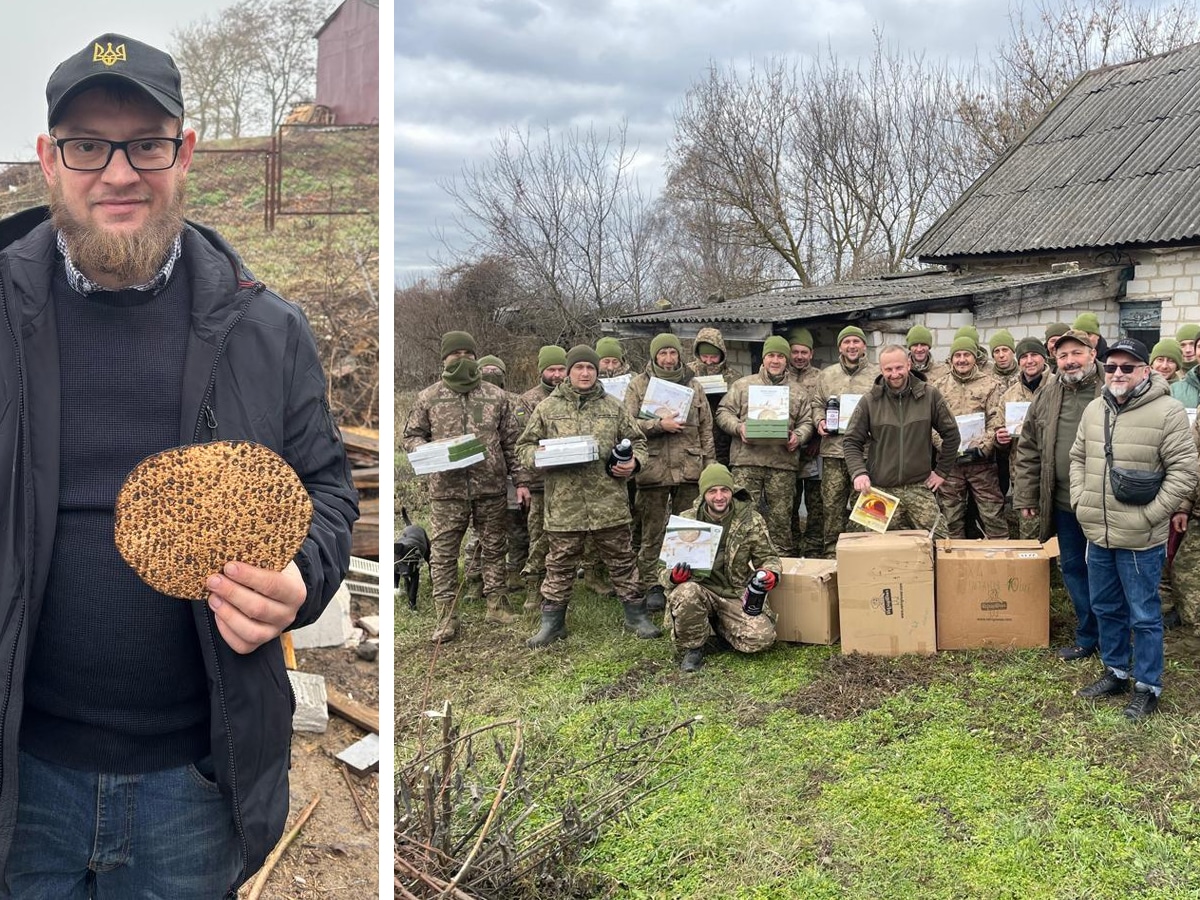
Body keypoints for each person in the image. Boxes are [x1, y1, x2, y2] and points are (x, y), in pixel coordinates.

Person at [0, 34, 358, 896]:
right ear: (49, 160)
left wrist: (299, 579)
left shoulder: (265, 328)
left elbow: (329, 492)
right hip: (20, 771)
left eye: (146, 144)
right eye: (88, 144)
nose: (117, 172)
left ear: (184, 152)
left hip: (193, 779)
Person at [1069, 338, 1197, 720]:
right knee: (1106, 607)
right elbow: (1078, 456)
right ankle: (1116, 670)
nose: (1118, 373)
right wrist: (1080, 499)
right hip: (1099, 533)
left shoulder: (1169, 411)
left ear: (1146, 370)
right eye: (1111, 367)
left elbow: (1185, 471)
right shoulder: (1095, 409)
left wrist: (1151, 515)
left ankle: (1147, 685)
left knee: (1143, 613)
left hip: (1141, 536)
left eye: (1127, 367)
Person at [516, 345, 662, 647]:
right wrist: (542, 457)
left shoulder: (613, 406)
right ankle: (552, 623)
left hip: (608, 501)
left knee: (622, 560)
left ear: (597, 372)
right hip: (564, 505)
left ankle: (636, 616)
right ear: (569, 371)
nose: (585, 373)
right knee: (559, 564)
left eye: (590, 368)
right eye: (579, 368)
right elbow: (523, 448)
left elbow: (639, 442)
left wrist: (633, 464)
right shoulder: (548, 408)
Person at [404, 331, 529, 641]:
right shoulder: (428, 397)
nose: (461, 360)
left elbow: (512, 442)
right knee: (445, 553)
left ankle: (496, 604)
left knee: (494, 546)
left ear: (476, 357)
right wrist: (426, 451)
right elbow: (411, 437)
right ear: (444, 359)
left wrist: (522, 481)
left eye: (467, 355)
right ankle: (445, 617)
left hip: (491, 486)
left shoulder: (496, 397)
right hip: (447, 490)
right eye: (454, 355)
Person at [1012, 329, 1104, 660]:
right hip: (1064, 501)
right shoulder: (1048, 395)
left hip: (1105, 503)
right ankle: (1087, 634)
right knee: (1074, 567)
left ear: (1092, 353)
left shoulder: (1111, 388)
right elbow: (1029, 448)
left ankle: (1114, 635)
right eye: (1063, 356)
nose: (1069, 361)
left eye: (1076, 353)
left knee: (1106, 571)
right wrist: (1026, 496)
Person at [660, 464, 781, 672]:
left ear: (731, 491)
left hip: (734, 592)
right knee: (686, 591)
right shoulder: (687, 520)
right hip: (700, 591)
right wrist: (674, 576)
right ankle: (694, 648)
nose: (719, 497)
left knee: (761, 639)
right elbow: (661, 570)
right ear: (703, 493)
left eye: (724, 490)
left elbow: (769, 557)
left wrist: (771, 573)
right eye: (712, 491)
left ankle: (717, 628)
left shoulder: (750, 520)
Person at [624, 333, 714, 612]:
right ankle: (652, 584)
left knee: (689, 528)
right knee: (653, 530)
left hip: (689, 468)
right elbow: (627, 425)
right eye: (662, 353)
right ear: (653, 356)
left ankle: (688, 579)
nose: (667, 358)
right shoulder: (638, 386)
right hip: (653, 469)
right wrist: (658, 425)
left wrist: (710, 466)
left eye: (672, 353)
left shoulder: (694, 385)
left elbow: (706, 428)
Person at [842, 345, 959, 535]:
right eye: (888, 369)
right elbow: (851, 441)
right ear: (881, 370)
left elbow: (952, 435)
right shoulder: (870, 401)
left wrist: (942, 471)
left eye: (899, 368)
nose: (894, 374)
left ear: (909, 364)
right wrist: (858, 472)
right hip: (880, 489)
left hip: (918, 487)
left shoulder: (929, 396)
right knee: (868, 545)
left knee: (938, 540)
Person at [717, 335, 815, 557]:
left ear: (786, 360)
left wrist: (798, 437)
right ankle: (740, 561)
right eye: (771, 355)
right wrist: (739, 428)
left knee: (781, 520)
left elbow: (807, 421)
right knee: (742, 515)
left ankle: (782, 565)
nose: (775, 360)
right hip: (746, 462)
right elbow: (723, 412)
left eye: (780, 356)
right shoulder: (743, 385)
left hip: (782, 464)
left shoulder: (798, 391)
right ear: (764, 358)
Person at [465, 354, 529, 593]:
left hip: (512, 476)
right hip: (479, 478)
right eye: (486, 369)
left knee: (516, 528)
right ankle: (475, 579)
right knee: (480, 533)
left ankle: (514, 572)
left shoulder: (517, 402)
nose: (491, 374)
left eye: (496, 370)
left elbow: (522, 437)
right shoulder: (468, 401)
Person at [812, 326, 880, 556]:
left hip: (866, 454)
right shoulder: (826, 375)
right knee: (832, 506)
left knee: (864, 506)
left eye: (856, 341)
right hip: (833, 452)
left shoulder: (877, 375)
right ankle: (832, 553)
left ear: (863, 345)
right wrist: (819, 421)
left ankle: (862, 552)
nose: (852, 346)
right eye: (847, 342)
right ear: (840, 346)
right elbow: (817, 404)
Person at [933, 336, 1007, 538]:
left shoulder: (991, 385)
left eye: (967, 355)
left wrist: (983, 447)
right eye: (957, 355)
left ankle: (1003, 559)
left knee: (992, 513)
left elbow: (996, 420)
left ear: (975, 358)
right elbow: (930, 424)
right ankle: (954, 560)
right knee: (950, 517)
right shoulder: (937, 387)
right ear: (951, 359)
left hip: (981, 463)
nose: (962, 359)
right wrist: (944, 447)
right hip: (950, 464)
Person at [516, 345, 568, 610]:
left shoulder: (574, 397)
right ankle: (533, 589)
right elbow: (520, 444)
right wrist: (522, 482)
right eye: (552, 369)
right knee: (538, 535)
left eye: (561, 369)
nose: (557, 374)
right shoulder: (527, 401)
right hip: (539, 483)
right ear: (542, 371)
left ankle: (563, 585)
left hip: (569, 481)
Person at [995, 338, 1052, 539]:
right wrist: (1000, 438)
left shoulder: (1058, 387)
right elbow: (999, 431)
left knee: (1062, 533)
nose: (1029, 361)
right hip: (1023, 472)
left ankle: (1060, 569)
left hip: (1056, 469)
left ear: (1043, 358)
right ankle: (1032, 568)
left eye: (1034, 355)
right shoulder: (1009, 396)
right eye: (1024, 357)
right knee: (1029, 529)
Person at [785, 326, 824, 557]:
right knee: (787, 504)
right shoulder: (781, 375)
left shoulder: (821, 377)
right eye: (795, 351)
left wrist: (816, 438)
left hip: (814, 451)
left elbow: (826, 408)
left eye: (804, 352)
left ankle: (814, 549)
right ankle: (790, 549)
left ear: (811, 353)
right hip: (785, 451)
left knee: (816, 504)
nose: (799, 356)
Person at [687, 326, 743, 467]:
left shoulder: (735, 378)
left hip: (725, 443)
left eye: (714, 356)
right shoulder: (686, 374)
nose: (709, 361)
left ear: (722, 355)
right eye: (704, 356)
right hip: (693, 441)